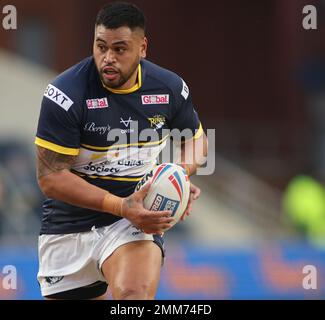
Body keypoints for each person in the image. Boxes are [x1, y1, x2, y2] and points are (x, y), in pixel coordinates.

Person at [34, 2, 208, 300]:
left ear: (142, 48)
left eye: (119, 49)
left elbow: (196, 140)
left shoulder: (168, 88)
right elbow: (50, 177)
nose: (107, 58)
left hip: (132, 222)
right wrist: (119, 204)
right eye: (101, 47)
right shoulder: (66, 94)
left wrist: (180, 172)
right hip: (67, 227)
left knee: (133, 294)